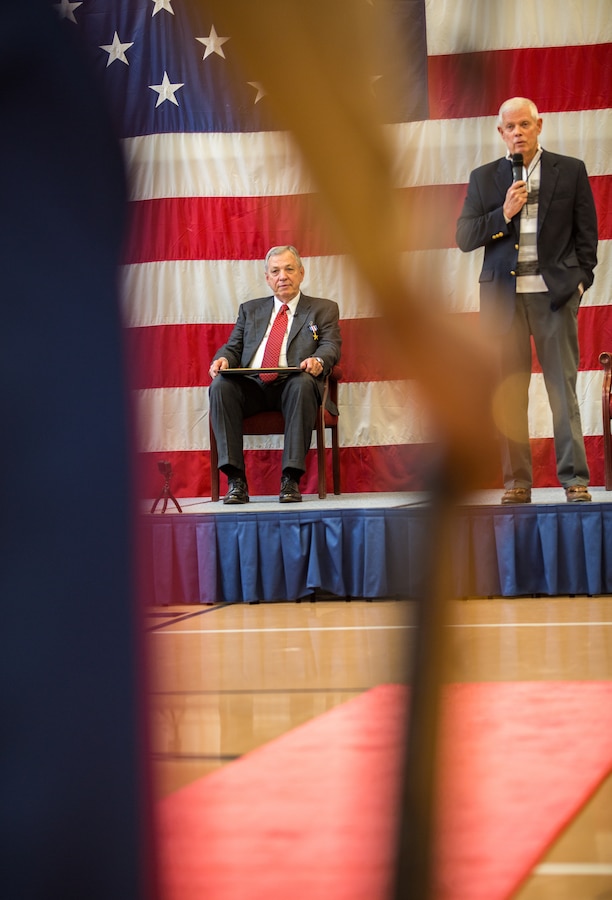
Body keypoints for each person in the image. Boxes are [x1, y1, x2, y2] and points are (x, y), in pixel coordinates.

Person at [456, 97, 598, 504]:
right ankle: (517, 481)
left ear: (539, 125)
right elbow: (465, 237)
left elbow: (587, 234)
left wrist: (580, 282)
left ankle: (574, 480)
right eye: (509, 127)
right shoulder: (485, 178)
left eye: (524, 124)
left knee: (562, 390)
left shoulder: (569, 170)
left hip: (554, 298)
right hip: (504, 302)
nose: (517, 132)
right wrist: (503, 212)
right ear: (500, 132)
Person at [208, 245, 342, 503]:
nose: (283, 276)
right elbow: (233, 347)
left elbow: (330, 345)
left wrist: (318, 360)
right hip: (253, 387)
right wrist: (223, 359)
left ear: (301, 273)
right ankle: (235, 481)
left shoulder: (322, 309)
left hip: (293, 384)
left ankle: (290, 479)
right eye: (276, 271)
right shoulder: (250, 310)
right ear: (268, 279)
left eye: (289, 269)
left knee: (302, 384)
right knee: (221, 386)